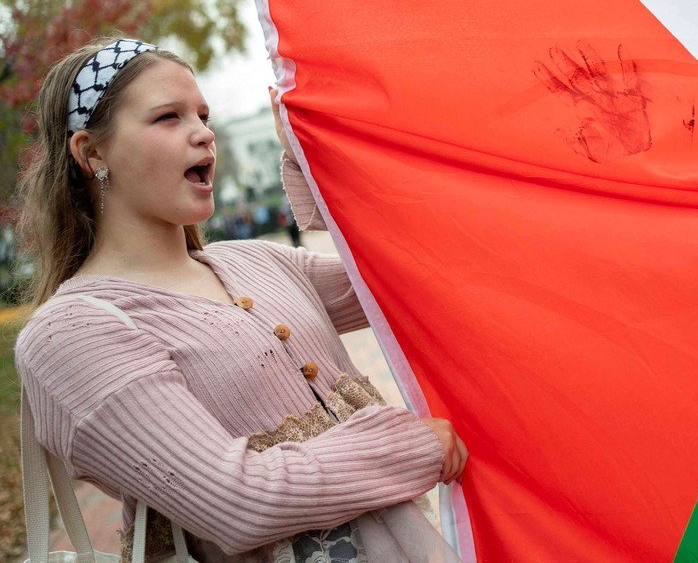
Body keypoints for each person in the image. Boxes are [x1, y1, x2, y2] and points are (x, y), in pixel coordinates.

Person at [14, 38, 467, 563]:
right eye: (168, 117)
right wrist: (412, 448)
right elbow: (237, 502)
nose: (204, 133)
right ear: (92, 153)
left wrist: (316, 156)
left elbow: (412, 275)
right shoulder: (71, 332)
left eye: (203, 116)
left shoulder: (255, 261)